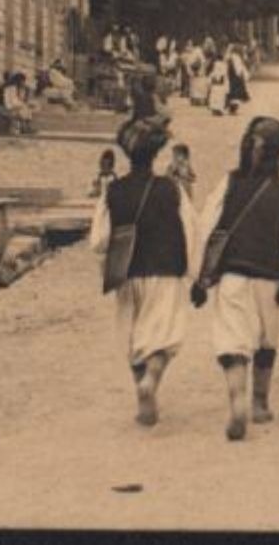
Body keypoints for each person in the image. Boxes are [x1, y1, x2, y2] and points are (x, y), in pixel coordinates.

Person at [192, 117, 279, 441]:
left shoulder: (230, 183)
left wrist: (201, 274)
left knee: (232, 339)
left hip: (233, 275)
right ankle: (259, 403)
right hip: (270, 279)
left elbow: (208, 225)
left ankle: (236, 399)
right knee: (266, 339)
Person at [89, 117, 196, 427]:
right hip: (165, 269)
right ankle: (152, 378)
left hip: (128, 272)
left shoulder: (113, 191)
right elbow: (191, 231)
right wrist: (194, 272)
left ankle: (142, 394)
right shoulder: (171, 189)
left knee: (134, 337)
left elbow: (98, 240)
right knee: (164, 337)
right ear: (155, 155)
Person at [225, 45, 251, 113]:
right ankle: (233, 107)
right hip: (235, 76)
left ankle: (232, 107)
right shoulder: (236, 57)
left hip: (231, 76)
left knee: (232, 92)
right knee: (235, 93)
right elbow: (239, 68)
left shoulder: (230, 57)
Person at [207, 53, 230, 117]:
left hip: (215, 83)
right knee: (220, 97)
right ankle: (219, 109)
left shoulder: (214, 64)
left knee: (215, 96)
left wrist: (209, 82)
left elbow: (212, 73)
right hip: (221, 83)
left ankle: (215, 109)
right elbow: (225, 75)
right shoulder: (224, 65)